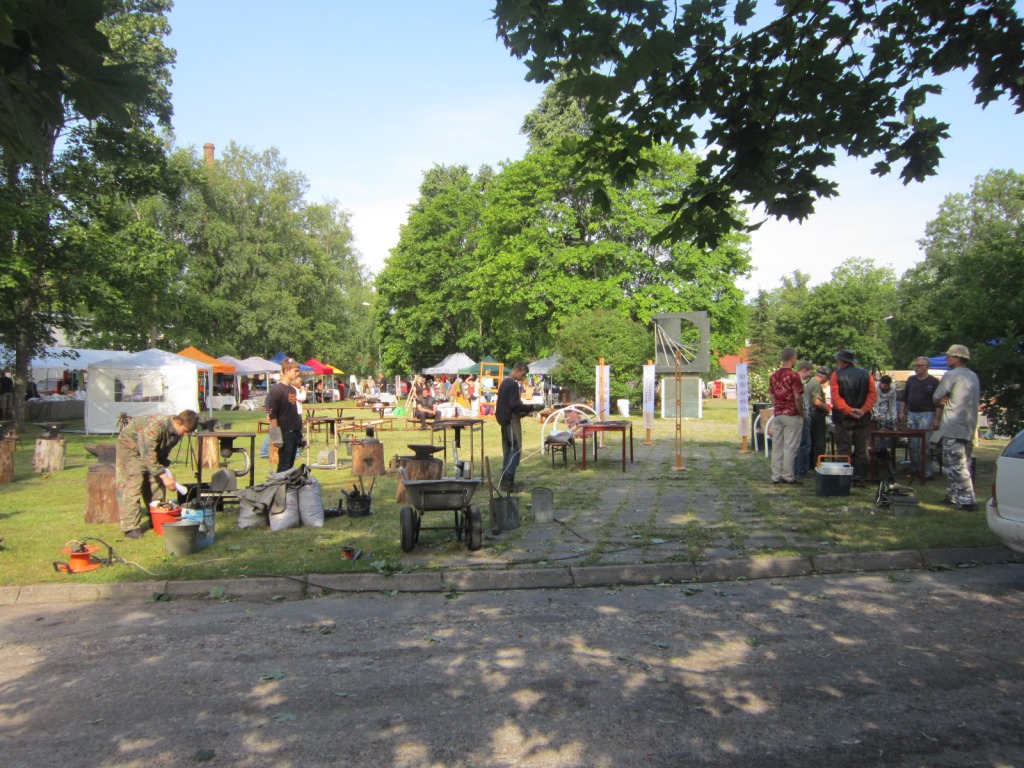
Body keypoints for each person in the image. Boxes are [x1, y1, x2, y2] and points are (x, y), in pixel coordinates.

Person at [116, 409, 199, 539]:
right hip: (131, 449)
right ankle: (130, 527)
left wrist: (165, 472)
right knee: (133, 485)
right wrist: (164, 476)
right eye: (185, 431)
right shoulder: (155, 426)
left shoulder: (177, 433)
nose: (186, 434)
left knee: (157, 484)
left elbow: (162, 452)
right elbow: (147, 454)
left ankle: (156, 518)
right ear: (178, 422)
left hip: (150, 452)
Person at [933, 344, 981, 511]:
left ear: (958, 358)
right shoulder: (973, 376)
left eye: (949, 356)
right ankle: (952, 496)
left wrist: (941, 400)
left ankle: (968, 500)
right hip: (968, 425)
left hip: (953, 425)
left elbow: (937, 396)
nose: (946, 359)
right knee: (964, 461)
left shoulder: (951, 375)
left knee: (955, 464)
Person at [830, 349, 877, 486]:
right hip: (862, 418)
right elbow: (872, 395)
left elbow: (836, 398)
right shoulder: (866, 375)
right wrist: (863, 410)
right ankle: (860, 478)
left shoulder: (836, 375)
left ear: (842, 361)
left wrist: (848, 410)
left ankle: (845, 479)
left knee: (844, 449)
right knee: (861, 449)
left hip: (843, 418)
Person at [496, 362, 536, 493]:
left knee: (508, 450)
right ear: (517, 370)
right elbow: (514, 405)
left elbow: (507, 404)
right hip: (510, 421)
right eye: (522, 375)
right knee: (515, 450)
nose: (522, 378)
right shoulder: (512, 384)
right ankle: (508, 482)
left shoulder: (504, 382)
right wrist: (531, 407)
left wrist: (522, 412)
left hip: (504, 420)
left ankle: (504, 481)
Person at [898, 356, 939, 479]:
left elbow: (938, 403)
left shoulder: (933, 382)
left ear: (926, 367)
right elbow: (904, 398)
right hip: (912, 414)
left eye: (919, 366)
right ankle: (914, 470)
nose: (916, 368)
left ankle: (926, 472)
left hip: (927, 414)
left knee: (924, 445)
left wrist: (937, 418)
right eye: (915, 366)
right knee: (912, 444)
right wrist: (902, 412)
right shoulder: (911, 380)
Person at [768, 347, 805, 484]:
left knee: (777, 445)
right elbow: (797, 397)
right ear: (792, 358)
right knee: (790, 446)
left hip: (778, 414)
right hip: (791, 414)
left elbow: (772, 395)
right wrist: (801, 412)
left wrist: (777, 407)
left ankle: (776, 475)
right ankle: (788, 475)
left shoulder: (773, 376)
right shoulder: (794, 376)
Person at [267, 358, 304, 473]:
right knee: (284, 465)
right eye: (295, 371)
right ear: (287, 370)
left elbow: (293, 412)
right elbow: (272, 413)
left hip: (294, 431)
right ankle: (279, 484)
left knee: (290, 465)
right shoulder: (277, 390)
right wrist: (276, 435)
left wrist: (299, 434)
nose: (297, 373)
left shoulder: (292, 389)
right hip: (284, 432)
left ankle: (286, 484)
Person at [807, 366, 832, 469]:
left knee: (812, 441)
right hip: (816, 415)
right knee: (819, 441)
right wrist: (827, 409)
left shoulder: (810, 382)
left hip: (811, 414)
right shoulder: (816, 384)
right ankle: (818, 464)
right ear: (823, 376)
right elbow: (816, 402)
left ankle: (811, 464)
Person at [794, 361, 815, 479]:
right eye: (809, 373)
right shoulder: (798, 381)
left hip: (797, 416)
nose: (809, 375)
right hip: (803, 416)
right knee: (805, 444)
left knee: (798, 444)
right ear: (804, 370)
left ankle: (797, 468)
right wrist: (803, 414)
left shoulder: (793, 379)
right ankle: (801, 469)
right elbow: (799, 399)